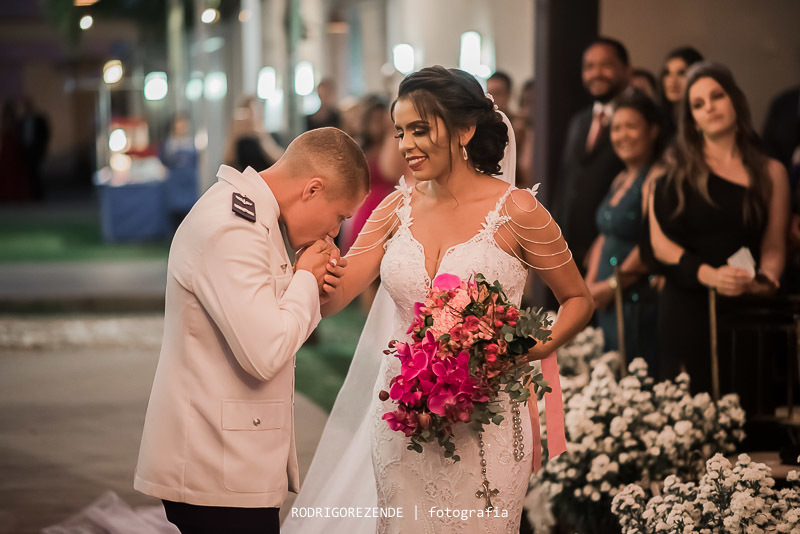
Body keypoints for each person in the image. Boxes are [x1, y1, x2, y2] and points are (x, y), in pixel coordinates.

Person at [283, 66, 593, 533]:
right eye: (399, 131)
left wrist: (534, 349)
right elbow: (337, 293)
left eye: (419, 129)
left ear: (465, 129)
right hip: (403, 415)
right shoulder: (394, 208)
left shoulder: (518, 212)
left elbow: (577, 299)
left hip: (487, 420)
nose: (405, 144)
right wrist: (307, 264)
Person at [134, 127, 370, 534]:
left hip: (233, 461)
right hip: (215, 469)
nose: (334, 232)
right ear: (312, 189)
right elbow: (266, 352)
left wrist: (303, 281)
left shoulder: (256, 218)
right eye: (340, 216)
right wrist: (306, 281)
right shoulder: (233, 227)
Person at [648, 62, 789, 398]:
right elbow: (660, 244)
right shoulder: (672, 171)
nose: (709, 107)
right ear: (691, 119)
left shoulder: (771, 171)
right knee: (686, 419)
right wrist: (708, 275)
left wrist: (766, 281)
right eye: (698, 104)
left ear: (735, 102)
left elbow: (773, 244)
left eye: (717, 96)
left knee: (744, 420)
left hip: (745, 307)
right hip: (687, 303)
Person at [585, 93, 664, 372]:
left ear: (653, 130)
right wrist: (590, 285)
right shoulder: (620, 178)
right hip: (605, 297)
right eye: (616, 128)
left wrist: (612, 286)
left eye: (631, 126)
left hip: (635, 298)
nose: (622, 135)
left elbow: (652, 243)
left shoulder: (657, 176)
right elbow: (604, 234)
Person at [554, 37, 633, 272]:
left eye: (606, 65)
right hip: (569, 251)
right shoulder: (580, 121)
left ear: (626, 69)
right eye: (589, 67)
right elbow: (567, 180)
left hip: (615, 253)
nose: (596, 73)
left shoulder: (639, 118)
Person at [340, 95, 407, 311]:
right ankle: (369, 321)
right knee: (367, 270)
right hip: (369, 207)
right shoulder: (360, 147)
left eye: (383, 119)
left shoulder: (396, 143)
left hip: (394, 205)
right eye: (375, 119)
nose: (378, 124)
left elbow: (392, 172)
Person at [224, 96, 284, 173]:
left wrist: (263, 137)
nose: (251, 118)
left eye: (254, 113)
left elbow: (279, 161)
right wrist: (233, 135)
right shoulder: (241, 140)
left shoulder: (272, 136)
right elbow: (228, 164)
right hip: (245, 182)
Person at [659, 46, 704, 139]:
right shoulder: (658, 120)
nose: (672, 81)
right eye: (667, 73)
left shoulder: (704, 116)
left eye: (681, 73)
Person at [19, 97, 50, 201]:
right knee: (28, 173)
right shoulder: (22, 121)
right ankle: (31, 194)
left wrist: (42, 148)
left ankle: (39, 195)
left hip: (36, 151)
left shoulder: (39, 119)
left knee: (37, 172)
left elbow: (45, 134)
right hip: (26, 151)